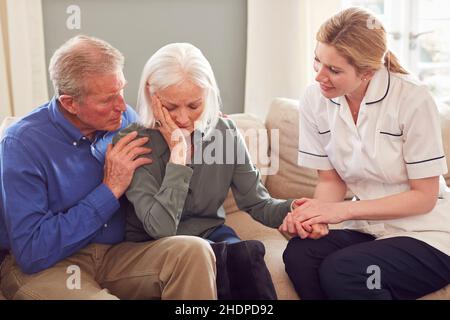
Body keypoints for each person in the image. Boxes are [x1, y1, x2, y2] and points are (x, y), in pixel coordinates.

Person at [0, 35, 217, 300]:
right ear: (70, 103)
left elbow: (163, 179)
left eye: (121, 91)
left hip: (117, 255)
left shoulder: (125, 120)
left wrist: (201, 129)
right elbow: (32, 252)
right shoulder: (21, 144)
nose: (121, 106)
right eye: (107, 100)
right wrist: (110, 189)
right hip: (50, 267)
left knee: (194, 251)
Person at [112, 42, 328, 299]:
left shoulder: (224, 133)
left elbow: (257, 204)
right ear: (151, 95)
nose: (182, 118)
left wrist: (297, 211)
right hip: (155, 246)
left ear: (208, 94)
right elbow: (161, 229)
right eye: (171, 107)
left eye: (194, 105)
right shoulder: (134, 142)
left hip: (213, 236)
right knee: (224, 261)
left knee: (245, 255)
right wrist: (178, 156)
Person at [281, 7, 450, 300]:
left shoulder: (412, 98)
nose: (320, 76)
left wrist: (340, 211)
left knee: (346, 270)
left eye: (334, 70)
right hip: (371, 228)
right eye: (317, 61)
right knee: (300, 254)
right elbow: (331, 181)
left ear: (368, 72)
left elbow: (424, 196)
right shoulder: (314, 99)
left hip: (429, 234)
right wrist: (314, 217)